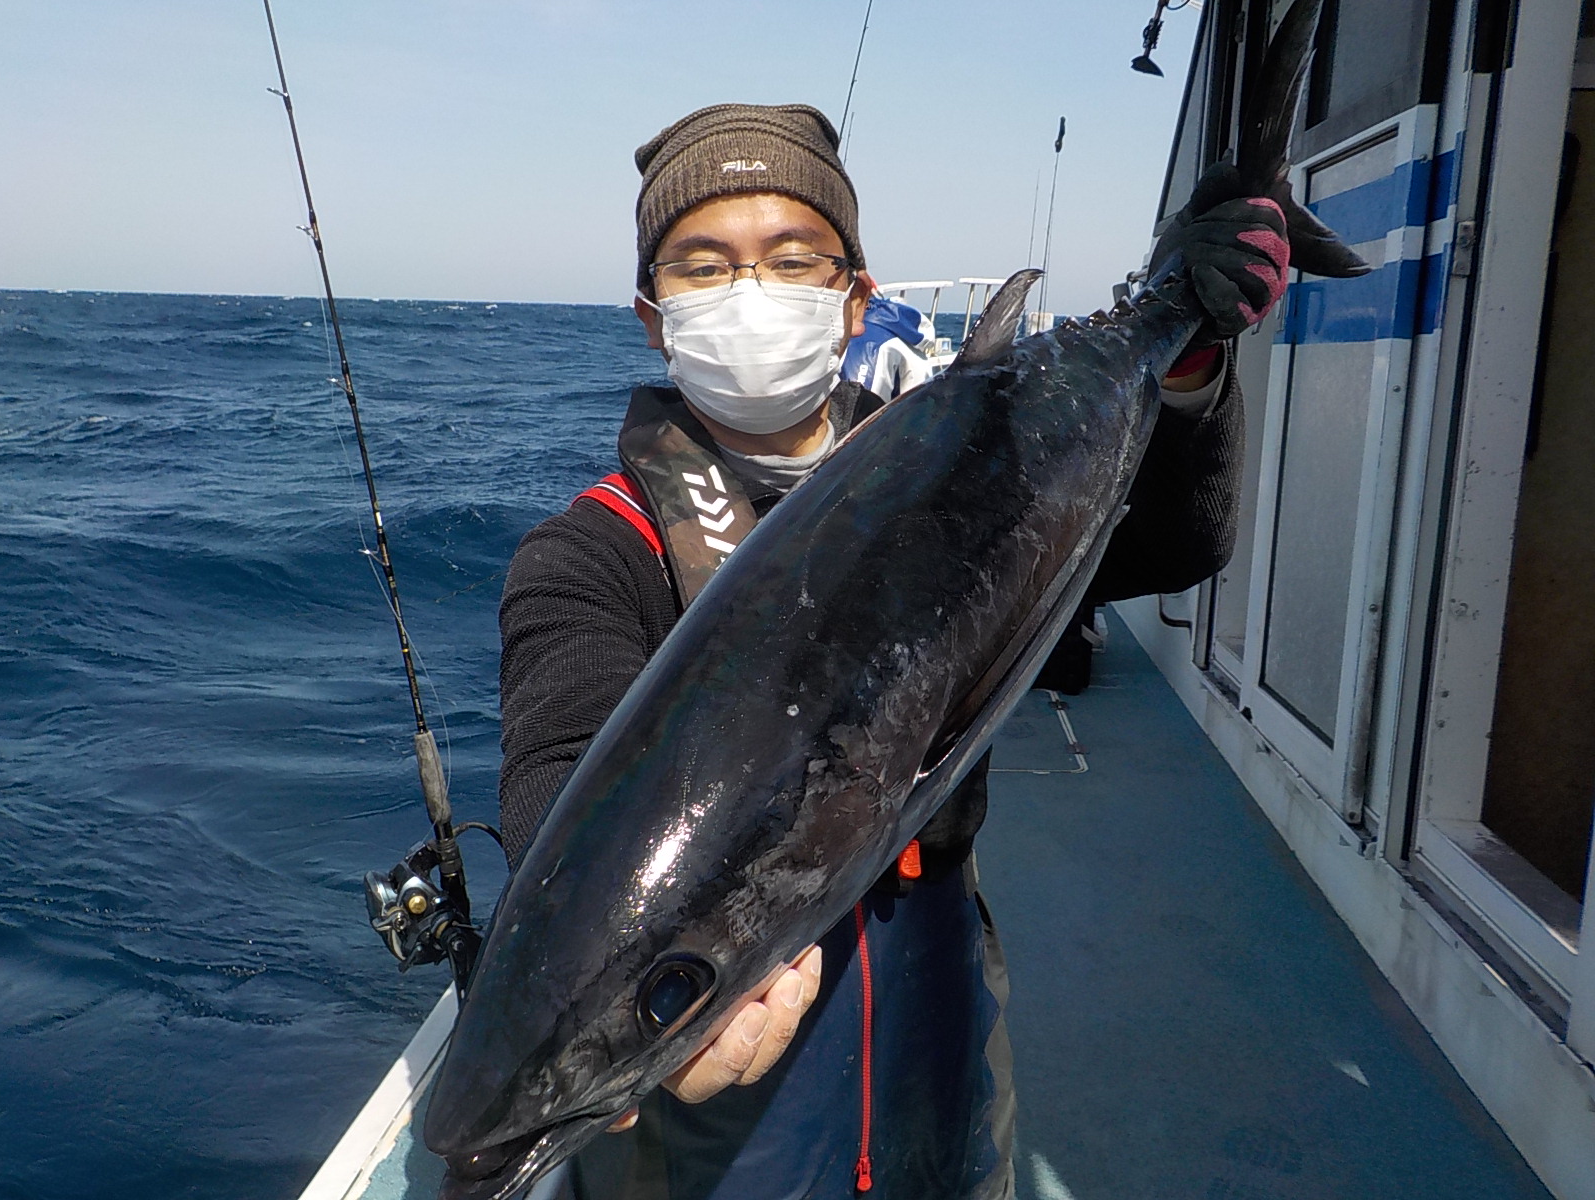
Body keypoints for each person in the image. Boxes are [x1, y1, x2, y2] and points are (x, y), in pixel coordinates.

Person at [497, 103, 1288, 1199]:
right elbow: (561, 764)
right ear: (652, 316)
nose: (749, 291)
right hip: (731, 1053)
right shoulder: (592, 552)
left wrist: (1191, 355)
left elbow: (1175, 544)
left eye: (791, 260)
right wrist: (632, 991)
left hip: (937, 977)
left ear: (855, 298)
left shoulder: (964, 459)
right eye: (703, 266)